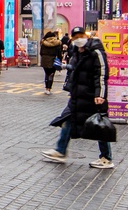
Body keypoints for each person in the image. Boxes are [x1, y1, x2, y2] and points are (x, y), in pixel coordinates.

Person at [43, 26, 114, 169]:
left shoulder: (95, 51)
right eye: (74, 37)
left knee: (99, 125)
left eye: (80, 36)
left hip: (91, 96)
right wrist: (66, 67)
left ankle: (106, 158)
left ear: (85, 36)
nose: (77, 40)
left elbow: (101, 74)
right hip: (77, 95)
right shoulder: (77, 51)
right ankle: (60, 151)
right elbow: (76, 68)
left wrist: (100, 95)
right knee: (68, 119)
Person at [39, 29, 62, 94]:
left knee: (47, 74)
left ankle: (46, 88)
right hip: (53, 59)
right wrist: (60, 59)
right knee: (51, 74)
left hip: (44, 59)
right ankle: (49, 89)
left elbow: (41, 53)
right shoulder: (57, 43)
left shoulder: (43, 43)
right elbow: (59, 53)